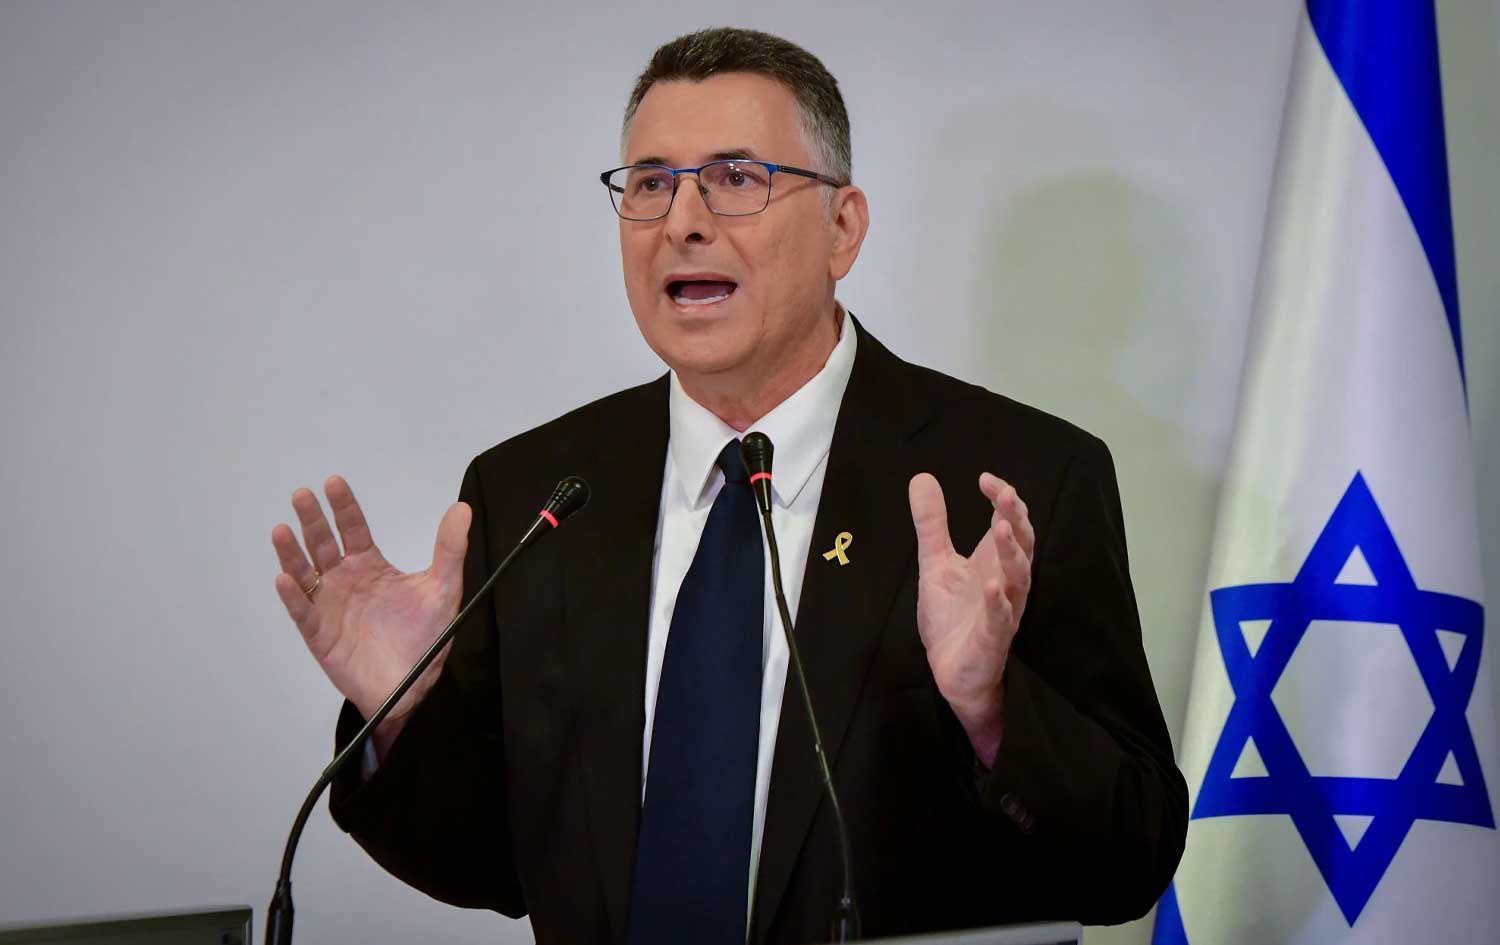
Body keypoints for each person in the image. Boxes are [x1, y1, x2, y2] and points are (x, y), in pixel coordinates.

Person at [270, 27, 1186, 945]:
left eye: (736, 177)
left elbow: (1131, 860)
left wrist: (993, 713)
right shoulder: (535, 496)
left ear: (842, 228)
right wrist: (401, 720)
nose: (682, 222)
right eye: (651, 184)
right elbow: (493, 862)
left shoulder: (1016, 484)